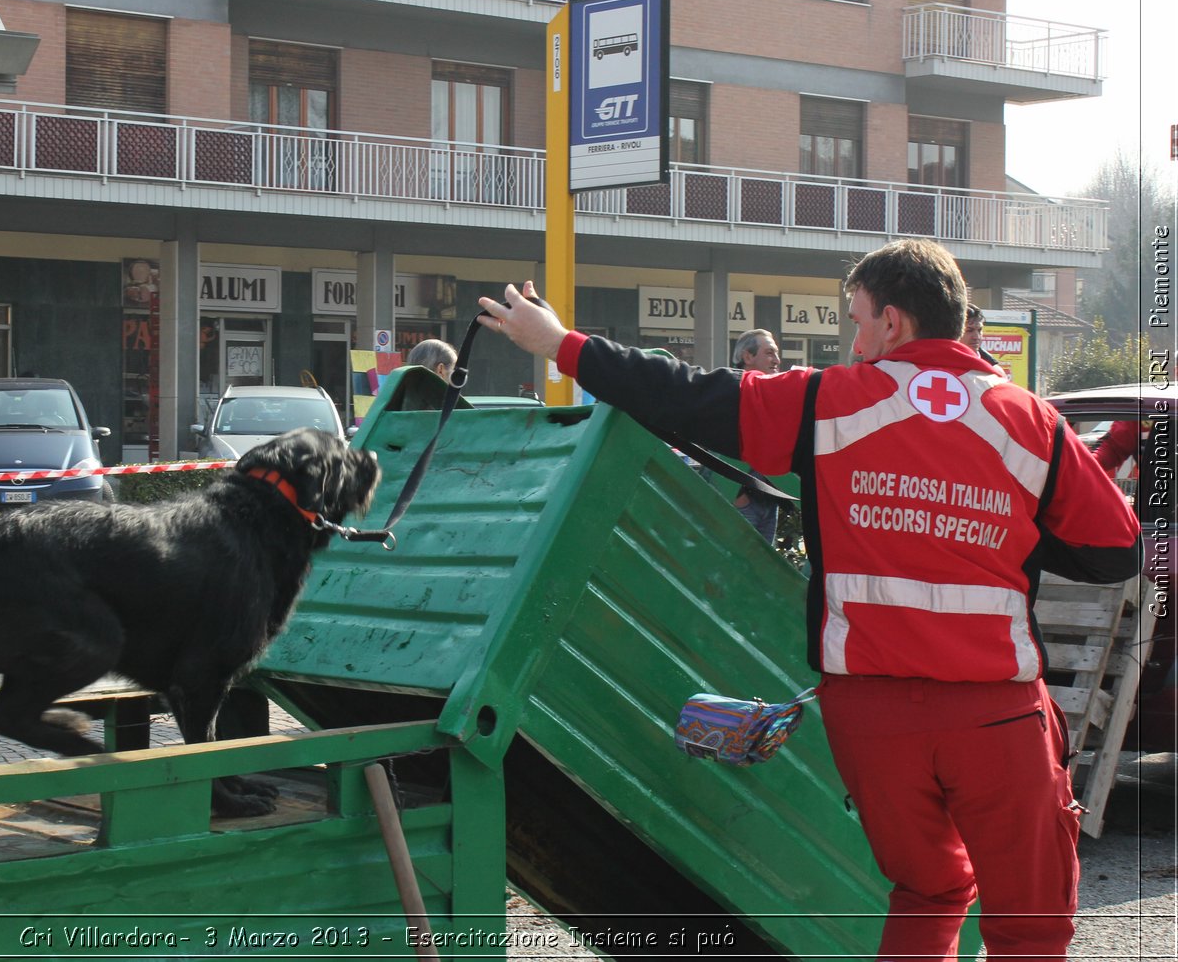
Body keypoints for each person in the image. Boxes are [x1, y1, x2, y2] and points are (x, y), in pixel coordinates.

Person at [477, 238, 1141, 962]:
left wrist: (561, 343)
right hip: (995, 716)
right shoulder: (1032, 422)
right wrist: (995, 523)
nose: (852, 341)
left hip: (871, 721)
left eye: (856, 321)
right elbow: (1116, 552)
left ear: (892, 322)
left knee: (929, 892)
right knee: (1031, 925)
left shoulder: (825, 401)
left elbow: (686, 394)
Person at [728, 330, 782, 543]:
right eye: (769, 353)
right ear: (747, 357)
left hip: (769, 501)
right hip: (744, 500)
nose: (776, 360)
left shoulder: (773, 393)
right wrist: (740, 497)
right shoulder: (732, 389)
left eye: (776, 353)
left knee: (761, 571)